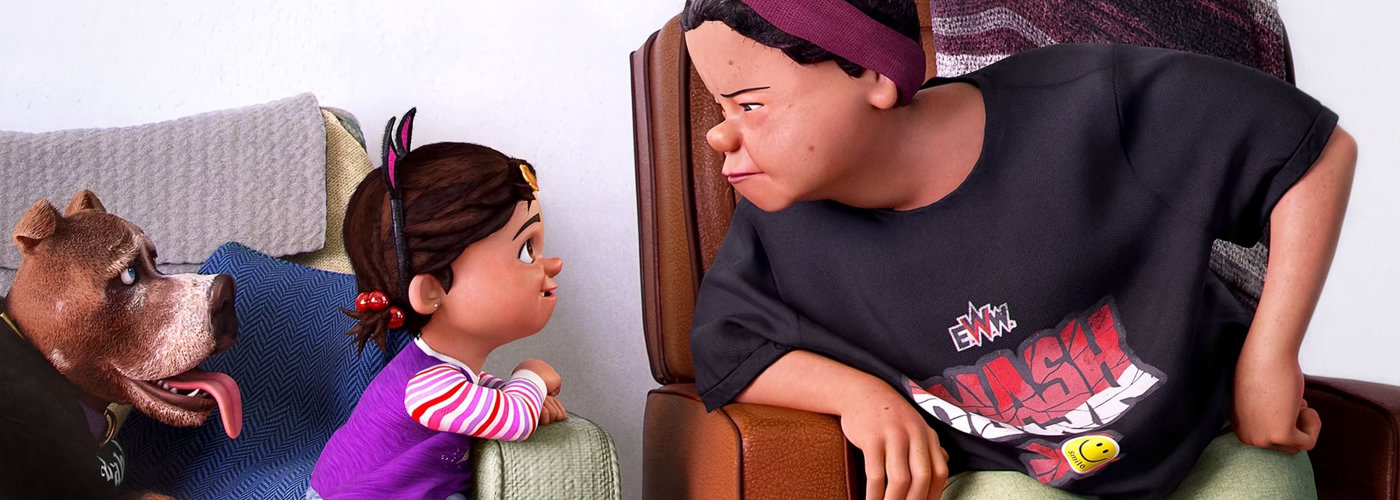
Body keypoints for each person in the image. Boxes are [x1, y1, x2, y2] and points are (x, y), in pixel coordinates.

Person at [681, 1, 1357, 499]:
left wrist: (1270, 356)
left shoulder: (1089, 103)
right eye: (719, 110)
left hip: (1209, 441)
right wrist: (860, 397)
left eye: (749, 106)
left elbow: (1314, 152)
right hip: (1010, 477)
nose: (720, 136)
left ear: (874, 74)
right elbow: (726, 351)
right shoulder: (780, 225)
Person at [307, 109, 568, 500]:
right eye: (526, 252)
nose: (554, 264)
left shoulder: (443, 377)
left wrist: (515, 393)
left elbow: (480, 396)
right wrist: (531, 376)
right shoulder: (428, 385)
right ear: (432, 291)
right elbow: (513, 420)